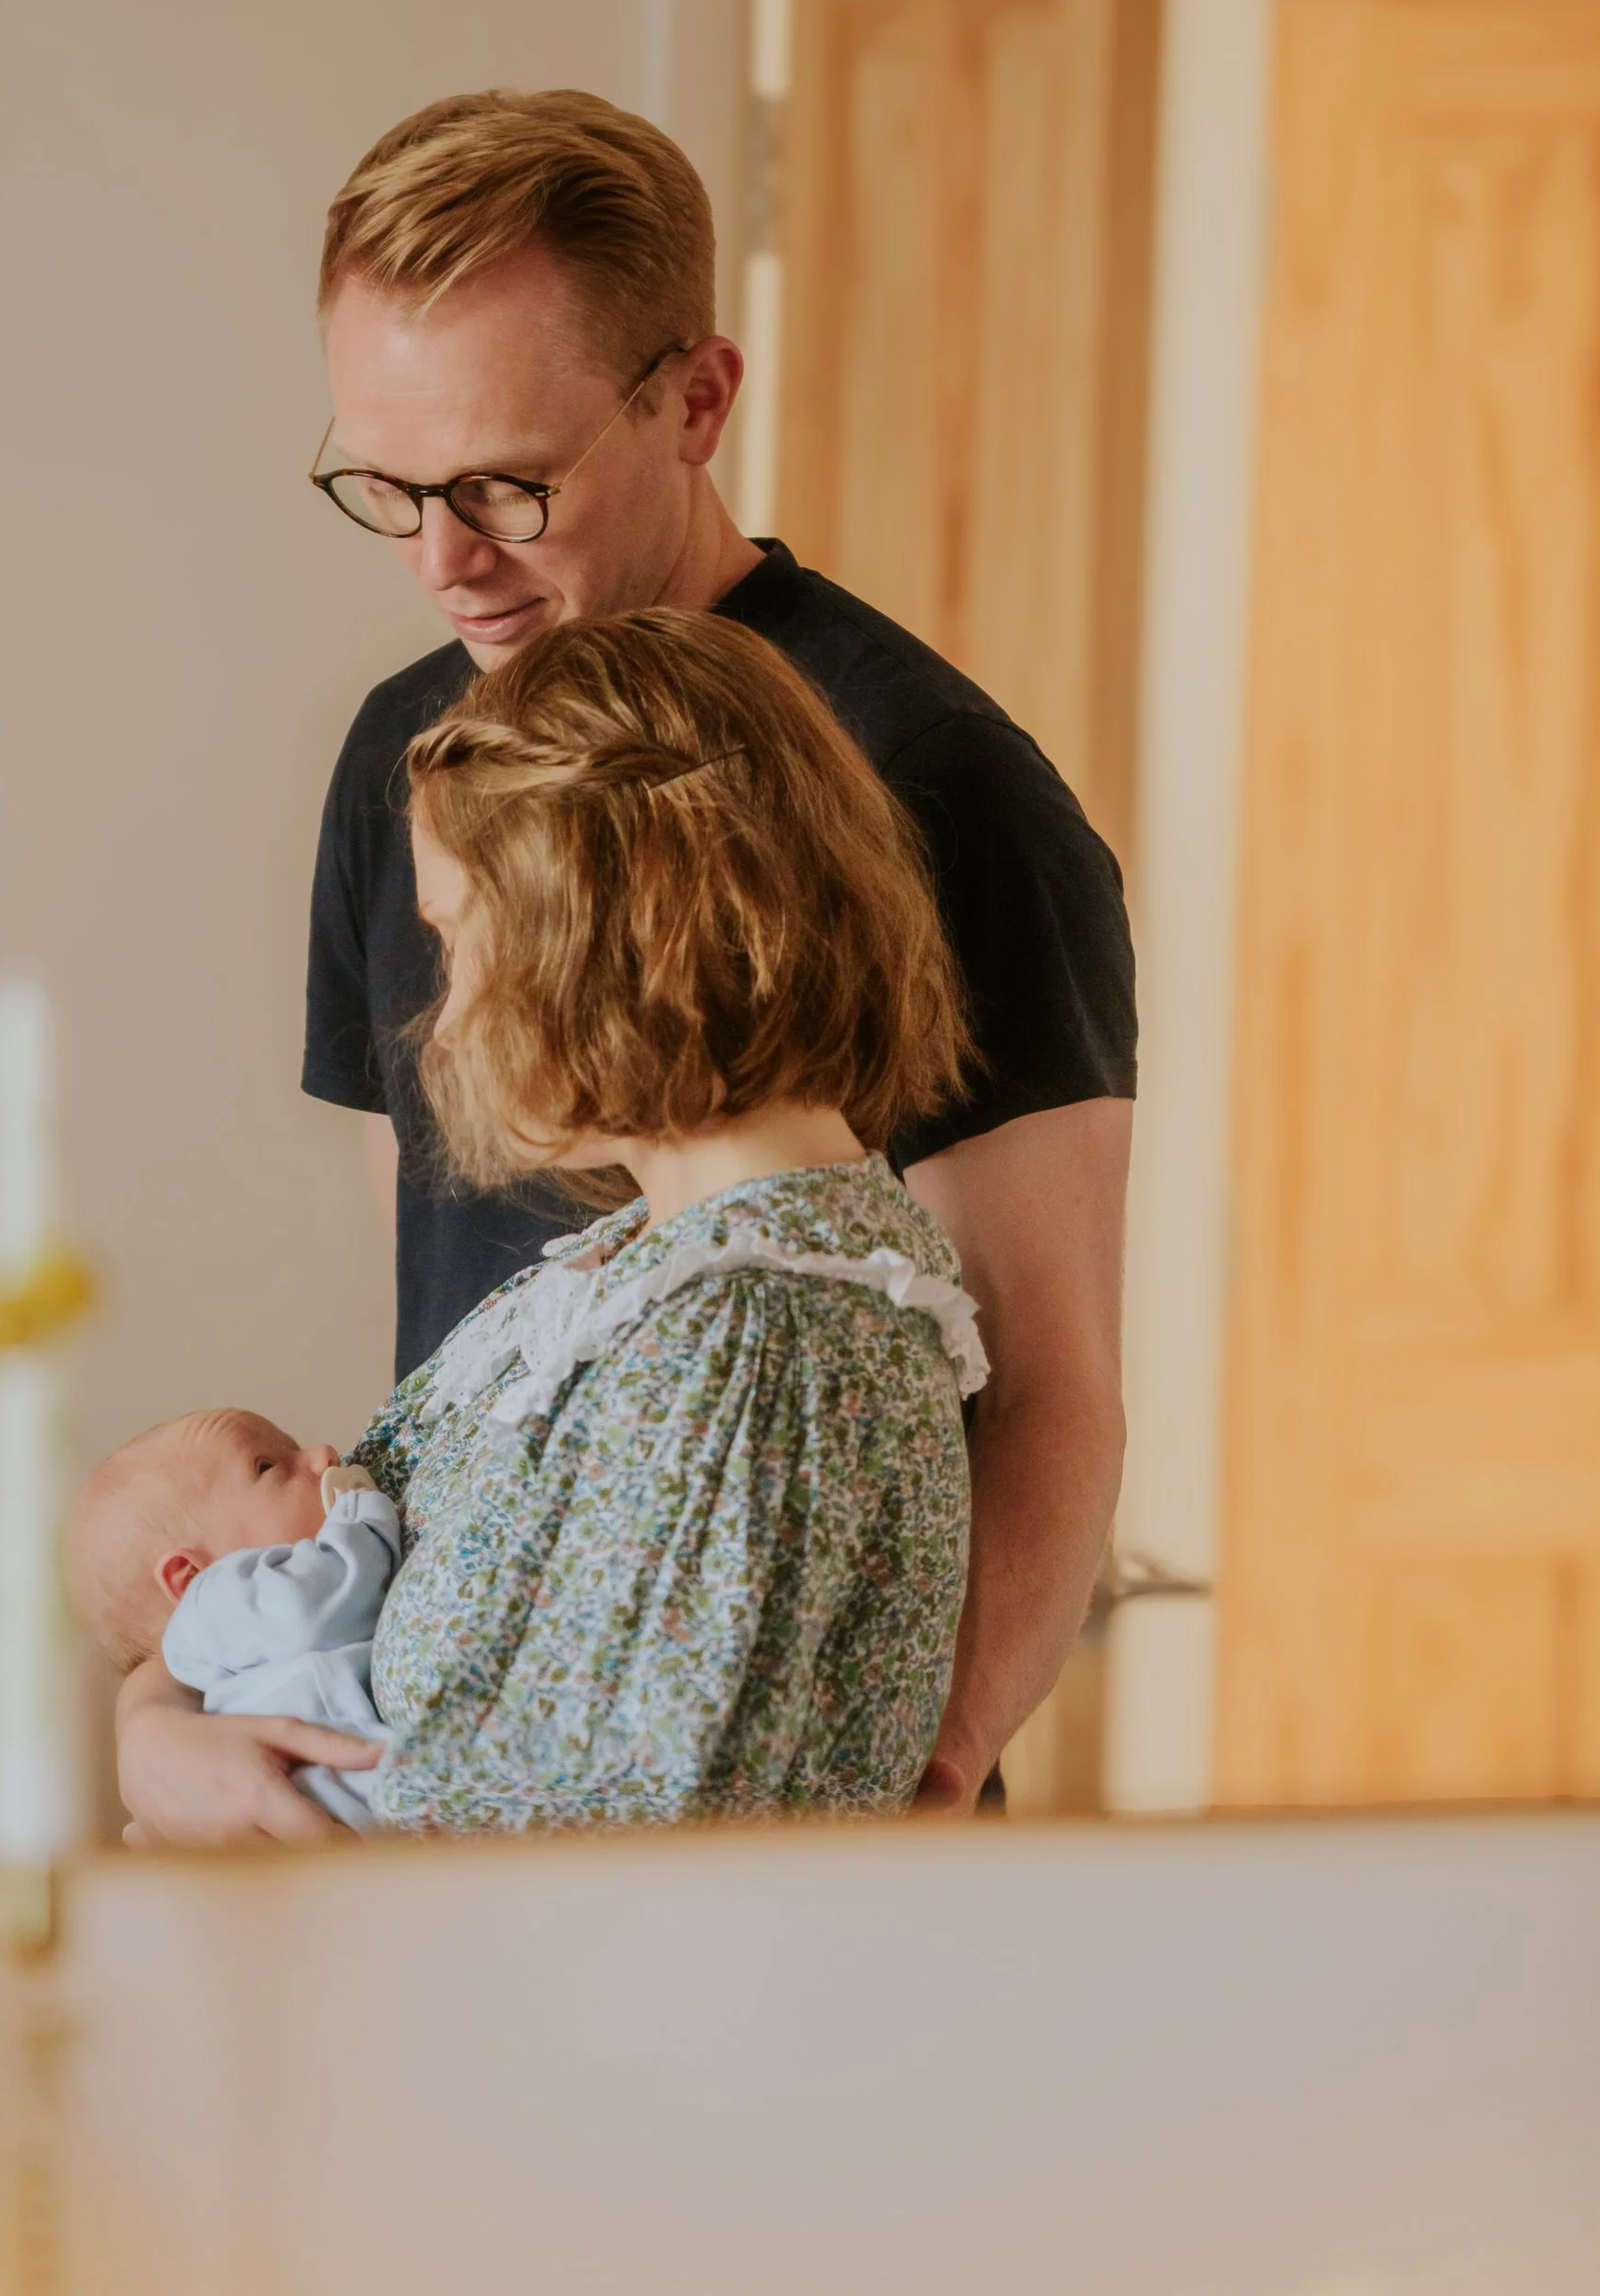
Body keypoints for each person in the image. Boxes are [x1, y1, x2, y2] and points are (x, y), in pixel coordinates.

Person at [297, 88, 1134, 1816]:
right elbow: (445, 1347)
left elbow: (1050, 1387)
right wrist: (234, 1710)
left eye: (505, 486)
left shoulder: (929, 784)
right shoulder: (412, 767)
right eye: (384, 486)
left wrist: (918, 1771)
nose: (444, 560)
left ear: (695, 398)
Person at [116, 610, 981, 1841]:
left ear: (617, 926)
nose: (448, 1022)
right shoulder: (638, 1273)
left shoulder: (755, 1344)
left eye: (462, 943)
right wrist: (157, 1723)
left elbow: (587, 1896)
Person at [67, 1412, 394, 1828]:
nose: (322, 1455)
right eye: (267, 1466)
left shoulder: (211, 1663)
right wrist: (365, 1518)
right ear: (190, 1578)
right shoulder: (215, 1600)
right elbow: (318, 1603)